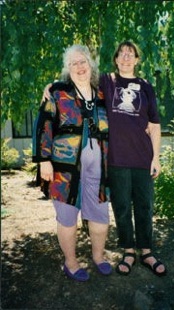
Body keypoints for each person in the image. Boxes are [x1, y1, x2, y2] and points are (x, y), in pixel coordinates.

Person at [42, 40, 166, 277]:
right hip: (90, 165)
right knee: (94, 211)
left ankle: (124, 254)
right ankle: (99, 257)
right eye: (122, 54)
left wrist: (155, 155)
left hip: (122, 163)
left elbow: (152, 124)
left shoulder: (125, 88)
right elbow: (49, 117)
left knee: (123, 209)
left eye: (83, 62)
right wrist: (50, 86)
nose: (80, 66)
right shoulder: (82, 87)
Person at [32, 44, 112, 282]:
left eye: (83, 61)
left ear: (91, 65)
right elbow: (43, 125)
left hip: (100, 169)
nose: (79, 67)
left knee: (100, 214)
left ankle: (98, 257)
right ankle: (71, 262)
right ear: (68, 69)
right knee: (67, 216)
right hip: (64, 169)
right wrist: (43, 160)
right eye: (74, 63)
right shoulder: (57, 92)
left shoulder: (103, 93)